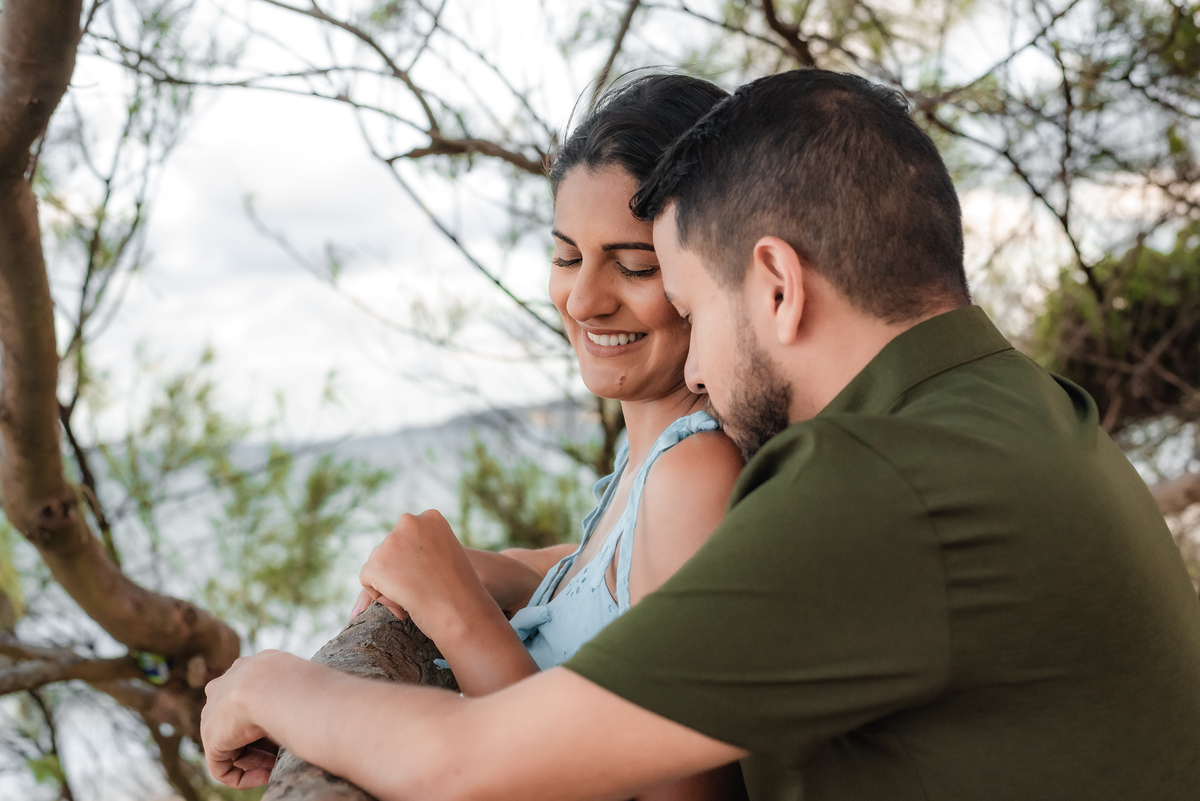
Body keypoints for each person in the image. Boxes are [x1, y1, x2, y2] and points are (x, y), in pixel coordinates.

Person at [201, 69, 1200, 801]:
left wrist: (265, 680)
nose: (700, 371)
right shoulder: (1006, 410)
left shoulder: (877, 483)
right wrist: (516, 571)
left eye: (688, 299)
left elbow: (464, 764)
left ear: (776, 284)